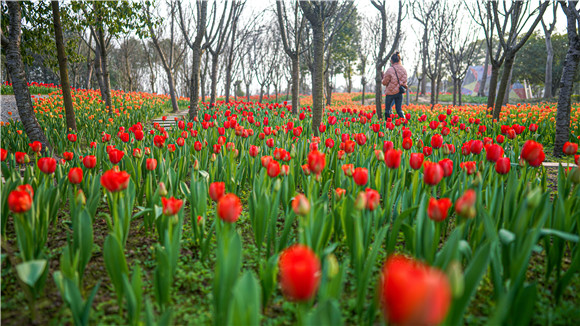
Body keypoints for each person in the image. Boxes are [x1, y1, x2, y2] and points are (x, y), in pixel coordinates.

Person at [381, 51, 408, 120]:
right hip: (399, 92)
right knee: (399, 110)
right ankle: (404, 122)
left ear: (391, 61)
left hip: (390, 93)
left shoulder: (390, 70)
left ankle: (388, 125)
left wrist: (383, 78)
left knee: (387, 110)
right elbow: (404, 81)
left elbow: (384, 82)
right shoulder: (404, 70)